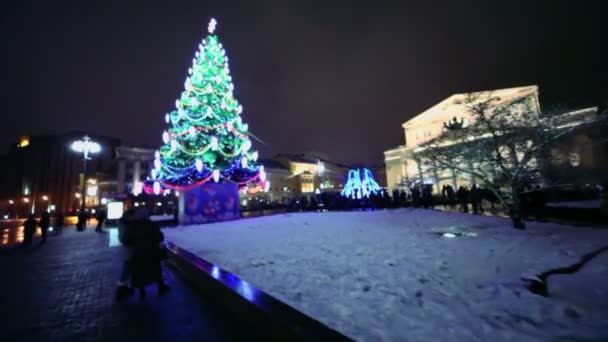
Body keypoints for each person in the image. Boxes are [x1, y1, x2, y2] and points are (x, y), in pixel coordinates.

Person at [129, 209, 170, 300]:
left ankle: (142, 292)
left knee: (139, 272)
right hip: (152, 251)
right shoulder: (151, 225)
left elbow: (126, 239)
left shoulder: (132, 226)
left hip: (138, 252)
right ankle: (161, 287)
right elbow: (159, 237)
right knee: (155, 269)